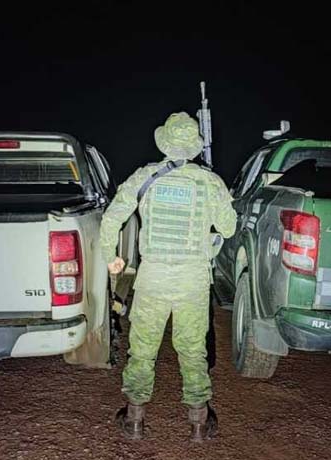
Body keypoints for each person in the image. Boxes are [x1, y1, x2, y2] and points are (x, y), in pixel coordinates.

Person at [99, 112, 237, 442]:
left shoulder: (145, 176)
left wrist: (110, 257)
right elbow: (229, 228)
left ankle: (134, 420)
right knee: (192, 350)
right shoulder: (210, 181)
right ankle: (199, 424)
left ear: (165, 143)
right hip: (193, 280)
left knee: (142, 349)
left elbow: (111, 218)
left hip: (153, 278)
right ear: (194, 146)